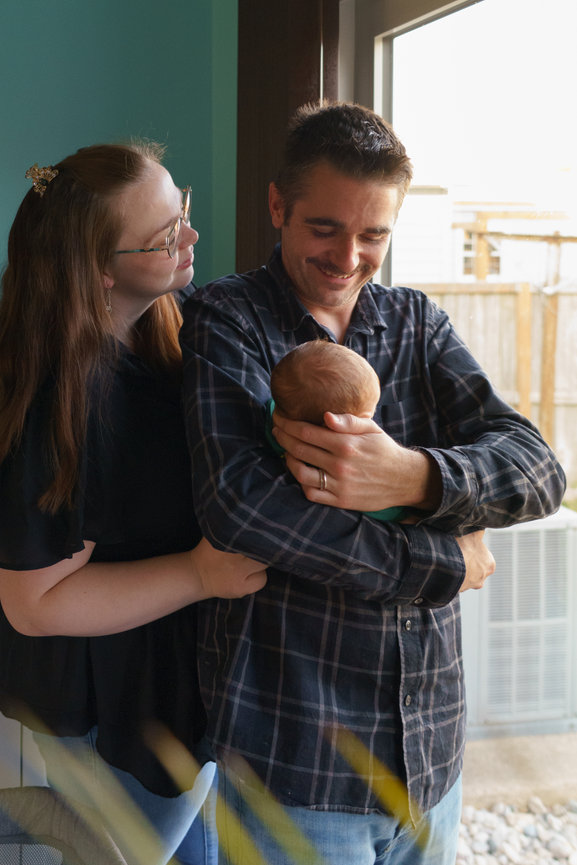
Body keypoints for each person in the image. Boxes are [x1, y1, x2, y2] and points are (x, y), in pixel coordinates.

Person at [180, 101, 566, 865]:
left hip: (429, 756)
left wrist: (413, 475)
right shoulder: (227, 319)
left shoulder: (417, 324)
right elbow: (243, 509)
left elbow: (536, 468)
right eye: (324, 228)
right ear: (277, 206)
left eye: (373, 235)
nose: (348, 256)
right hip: (293, 760)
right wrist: (444, 560)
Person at [0, 143, 267, 865]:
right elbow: (33, 604)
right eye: (165, 234)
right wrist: (199, 574)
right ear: (99, 271)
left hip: (175, 684)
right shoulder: (63, 401)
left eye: (182, 209)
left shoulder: (167, 337)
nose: (192, 235)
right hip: (114, 708)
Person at [268, 339, 407, 520]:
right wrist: (403, 514)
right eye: (365, 417)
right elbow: (379, 500)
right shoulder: (328, 463)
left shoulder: (277, 411)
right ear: (334, 425)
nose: (373, 418)